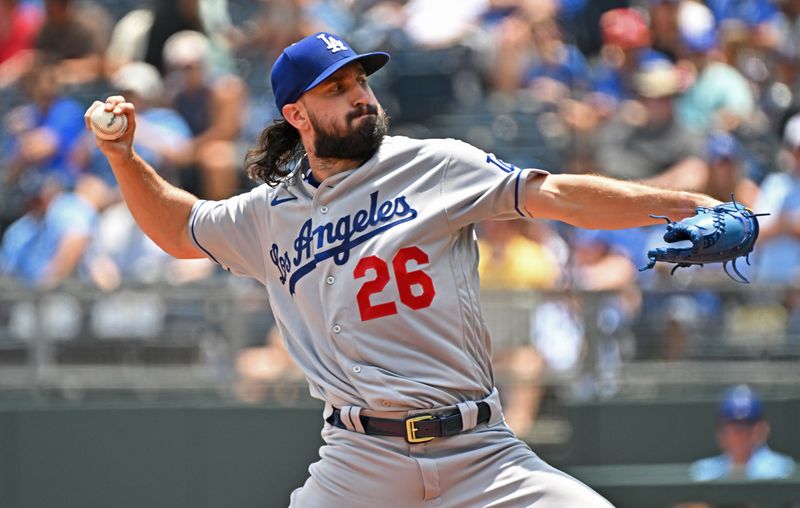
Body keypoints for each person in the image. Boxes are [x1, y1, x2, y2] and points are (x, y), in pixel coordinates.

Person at [86, 31, 721, 507]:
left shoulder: (435, 164)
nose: (360, 96)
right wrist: (121, 157)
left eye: (360, 81)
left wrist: (684, 206)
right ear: (296, 116)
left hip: (478, 449)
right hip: (358, 461)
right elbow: (177, 227)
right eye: (336, 89)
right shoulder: (267, 215)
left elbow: (556, 194)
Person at [689, 384, 796, 481]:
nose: (736, 434)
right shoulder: (705, 470)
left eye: (744, 426)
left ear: (761, 429)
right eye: (730, 426)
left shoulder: (782, 469)